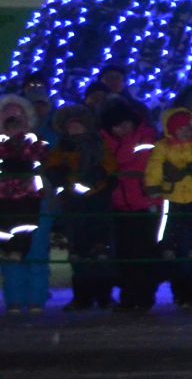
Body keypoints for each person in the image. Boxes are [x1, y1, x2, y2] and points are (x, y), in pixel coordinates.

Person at [144, 106, 192, 308]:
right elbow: (154, 167)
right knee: (170, 223)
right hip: (172, 194)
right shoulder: (163, 146)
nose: (186, 132)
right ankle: (169, 247)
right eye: (181, 128)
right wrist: (154, 191)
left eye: (188, 127)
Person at [44, 104, 112, 310]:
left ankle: (103, 295)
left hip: (97, 202)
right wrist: (58, 174)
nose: (74, 130)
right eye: (71, 127)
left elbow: (109, 165)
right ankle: (82, 296)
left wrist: (102, 175)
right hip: (74, 203)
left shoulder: (98, 146)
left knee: (100, 250)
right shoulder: (61, 149)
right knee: (78, 251)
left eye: (78, 126)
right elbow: (51, 166)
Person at [100, 101, 159, 312]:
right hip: (119, 205)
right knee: (125, 256)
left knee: (143, 255)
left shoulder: (145, 137)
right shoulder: (106, 143)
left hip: (144, 204)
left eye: (125, 124)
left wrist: (114, 166)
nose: (122, 129)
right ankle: (128, 297)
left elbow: (143, 164)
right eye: (117, 126)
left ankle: (143, 298)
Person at [0, 95, 48, 313]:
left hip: (35, 203)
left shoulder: (38, 143)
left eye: (18, 114)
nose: (13, 118)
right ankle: (14, 300)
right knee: (9, 253)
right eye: (7, 113)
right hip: (4, 205)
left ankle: (37, 298)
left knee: (35, 252)